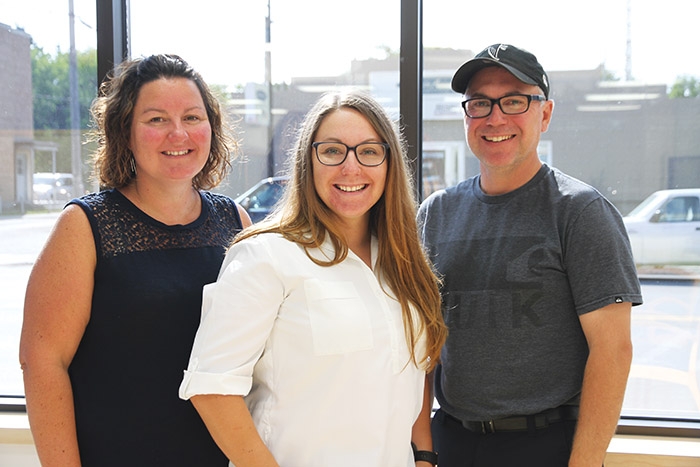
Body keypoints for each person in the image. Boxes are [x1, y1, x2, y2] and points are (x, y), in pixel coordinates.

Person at [179, 90, 448, 467]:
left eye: (369, 151)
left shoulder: (403, 263)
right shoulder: (265, 255)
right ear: (309, 161)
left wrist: (424, 456)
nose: (351, 168)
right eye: (333, 151)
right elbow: (211, 388)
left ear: (390, 164)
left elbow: (415, 369)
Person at [19, 54, 251, 467]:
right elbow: (42, 362)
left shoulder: (235, 221)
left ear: (211, 130)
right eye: (157, 119)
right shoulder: (85, 226)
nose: (178, 133)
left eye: (193, 117)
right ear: (125, 132)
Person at [417, 44, 643, 466]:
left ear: (545, 113)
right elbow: (421, 344)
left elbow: (613, 351)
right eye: (480, 103)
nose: (495, 117)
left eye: (515, 101)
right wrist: (424, 448)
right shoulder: (436, 213)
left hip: (546, 445)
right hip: (452, 440)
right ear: (467, 117)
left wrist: (585, 462)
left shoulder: (581, 212)